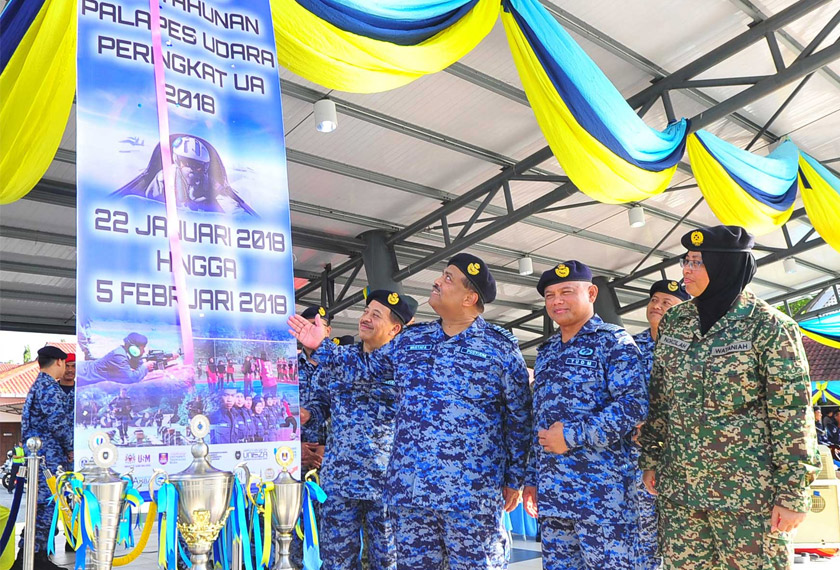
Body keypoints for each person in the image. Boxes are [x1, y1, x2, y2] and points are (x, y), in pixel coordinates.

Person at [290, 253, 532, 570]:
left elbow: (519, 417)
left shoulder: (498, 346)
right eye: (441, 275)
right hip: (412, 495)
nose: (436, 281)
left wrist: (515, 479)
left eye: (448, 278)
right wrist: (320, 346)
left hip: (470, 497)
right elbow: (364, 367)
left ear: (470, 297)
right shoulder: (413, 341)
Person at [640, 225, 821, 569]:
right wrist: (651, 457)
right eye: (686, 261)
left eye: (697, 263)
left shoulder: (768, 326)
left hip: (750, 500)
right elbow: (661, 398)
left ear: (727, 266)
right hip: (682, 495)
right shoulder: (676, 320)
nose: (686, 271)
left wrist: (792, 494)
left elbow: (793, 416)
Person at [521, 261, 648, 570]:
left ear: (591, 293)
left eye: (566, 292)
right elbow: (540, 419)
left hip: (604, 498)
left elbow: (633, 405)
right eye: (550, 295)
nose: (556, 301)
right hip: (555, 497)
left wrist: (571, 436)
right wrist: (533, 478)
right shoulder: (548, 351)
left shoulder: (613, 342)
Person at [302, 290, 417, 570]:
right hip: (340, 478)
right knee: (337, 561)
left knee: (388, 561)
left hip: (387, 483)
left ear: (395, 328)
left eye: (376, 315)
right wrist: (306, 415)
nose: (365, 318)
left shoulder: (404, 364)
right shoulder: (337, 360)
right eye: (366, 311)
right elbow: (320, 405)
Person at [630, 279, 691, 570]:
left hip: (682, 456)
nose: (657, 305)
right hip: (637, 458)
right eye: (654, 299)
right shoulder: (629, 347)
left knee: (686, 538)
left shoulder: (692, 345)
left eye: (667, 302)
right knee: (642, 535)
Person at [13, 346, 73, 570]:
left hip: (44, 458)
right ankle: (32, 558)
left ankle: (34, 556)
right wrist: (70, 447)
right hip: (47, 459)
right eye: (65, 364)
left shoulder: (40, 385)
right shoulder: (48, 387)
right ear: (58, 362)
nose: (66, 368)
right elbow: (57, 422)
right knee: (44, 508)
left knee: (43, 508)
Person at [114, 134, 256, 215]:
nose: (192, 169)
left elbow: (225, 211)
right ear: (177, 160)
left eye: (198, 166)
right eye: (187, 163)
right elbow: (149, 208)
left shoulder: (210, 184)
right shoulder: (164, 179)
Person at [82, 333, 157, 385]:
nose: (144, 351)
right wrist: (145, 367)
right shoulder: (119, 356)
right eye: (142, 348)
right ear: (133, 349)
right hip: (83, 374)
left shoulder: (126, 353)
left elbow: (136, 364)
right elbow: (131, 379)